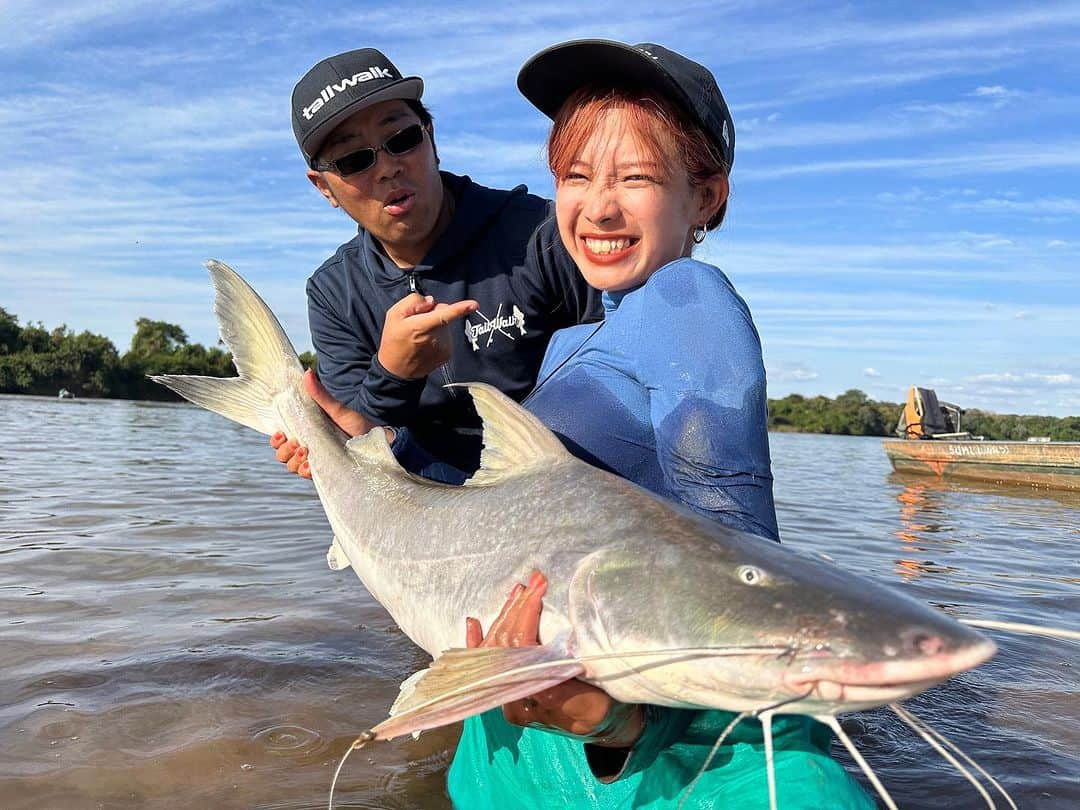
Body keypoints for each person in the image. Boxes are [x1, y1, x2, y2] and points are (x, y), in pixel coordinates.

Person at [287, 47, 601, 480]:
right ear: (324, 187)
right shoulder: (332, 292)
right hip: (425, 492)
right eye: (353, 160)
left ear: (431, 138)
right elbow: (359, 436)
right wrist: (393, 374)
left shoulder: (543, 234)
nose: (387, 168)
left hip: (557, 473)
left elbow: (617, 381)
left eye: (402, 140)